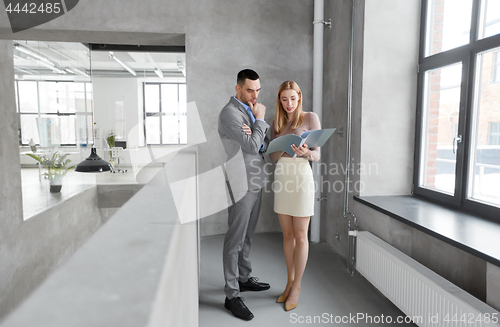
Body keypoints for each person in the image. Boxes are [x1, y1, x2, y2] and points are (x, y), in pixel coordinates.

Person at [218, 69, 271, 321]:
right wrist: (259, 121)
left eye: (258, 90)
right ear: (238, 88)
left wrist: (257, 133)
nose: (255, 95)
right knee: (235, 238)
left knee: (248, 234)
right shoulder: (230, 113)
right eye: (250, 90)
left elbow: (263, 145)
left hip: (255, 179)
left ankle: (243, 277)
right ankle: (231, 295)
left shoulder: (248, 112)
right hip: (240, 181)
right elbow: (251, 145)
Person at [269, 80, 321, 312]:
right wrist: (285, 147)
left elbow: (317, 155)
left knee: (301, 236)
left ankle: (297, 286)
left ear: (299, 97)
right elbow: (272, 157)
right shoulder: (277, 122)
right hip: (283, 176)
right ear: (279, 100)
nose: (288, 103)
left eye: (292, 98)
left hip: (301, 177)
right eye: (284, 99)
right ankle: (289, 282)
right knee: (287, 234)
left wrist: (306, 152)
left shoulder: (310, 118)